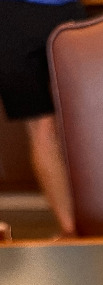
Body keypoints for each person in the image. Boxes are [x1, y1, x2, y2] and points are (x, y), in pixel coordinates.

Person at [0, 0, 86, 237]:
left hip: (67, 10)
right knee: (43, 125)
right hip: (11, 17)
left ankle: (91, 224)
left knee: (86, 121)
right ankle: (71, 232)